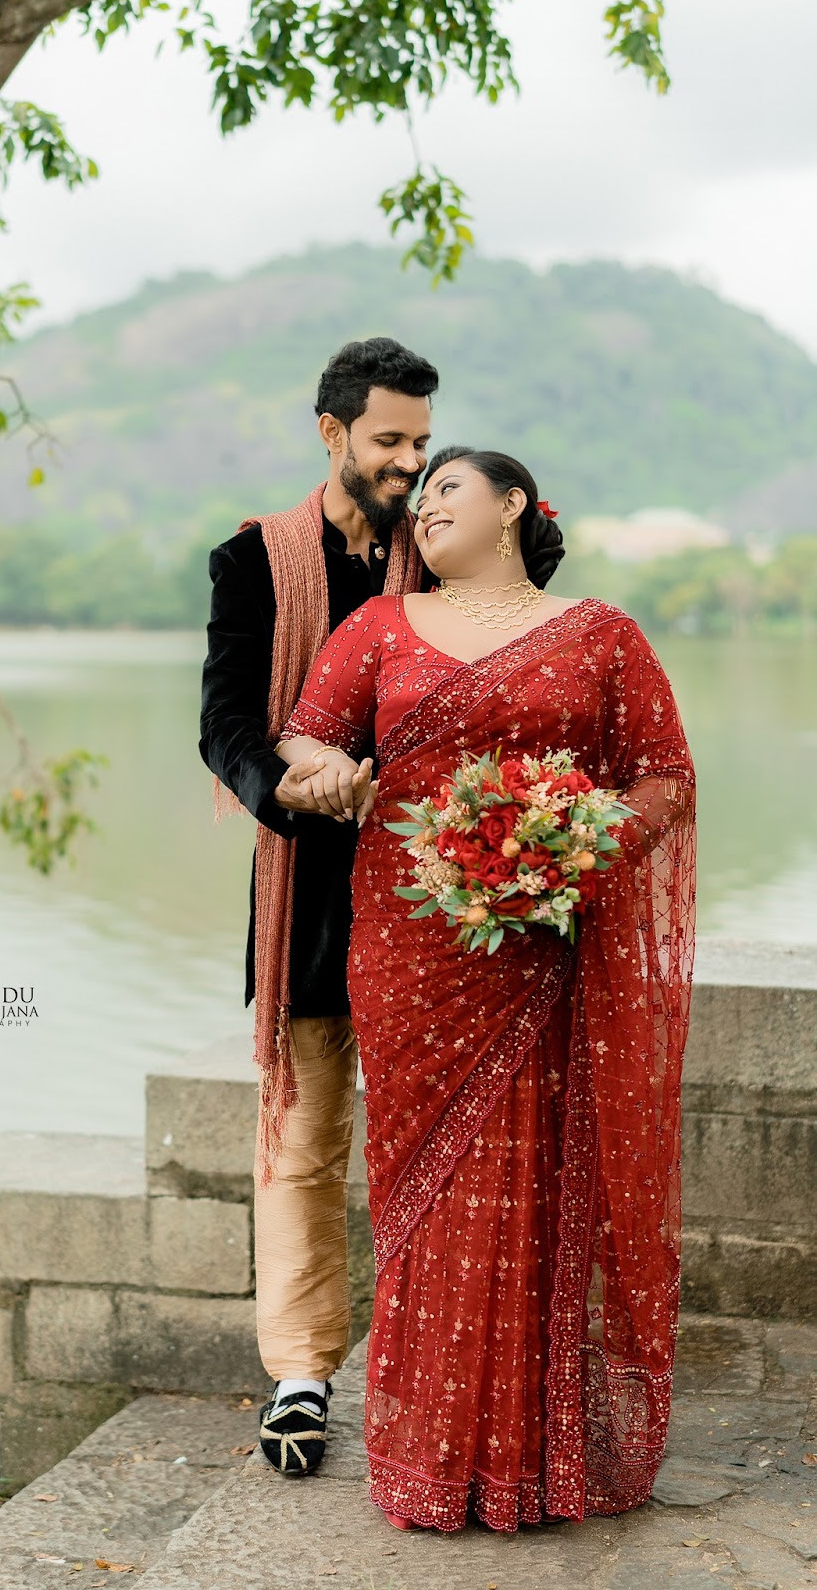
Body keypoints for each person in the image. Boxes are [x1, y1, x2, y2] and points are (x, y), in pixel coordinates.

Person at [275, 445, 697, 1530]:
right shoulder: (378, 626)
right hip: (412, 951)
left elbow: (663, 774)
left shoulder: (601, 634)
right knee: (425, 1195)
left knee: (536, 1183)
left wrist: (575, 846)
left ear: (511, 505)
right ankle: (429, 1457)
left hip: (543, 950)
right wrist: (325, 774)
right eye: (418, 500)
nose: (423, 509)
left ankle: (531, 1460)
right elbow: (305, 740)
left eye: (446, 489)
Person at [198, 337, 440, 1474]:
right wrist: (294, 786)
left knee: (435, 1134)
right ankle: (301, 1374)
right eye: (389, 440)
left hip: (434, 886)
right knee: (303, 1142)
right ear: (332, 432)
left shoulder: (443, 547)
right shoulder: (254, 560)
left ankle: (436, 1360)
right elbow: (226, 726)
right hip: (308, 887)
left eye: (422, 442)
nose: (409, 463)